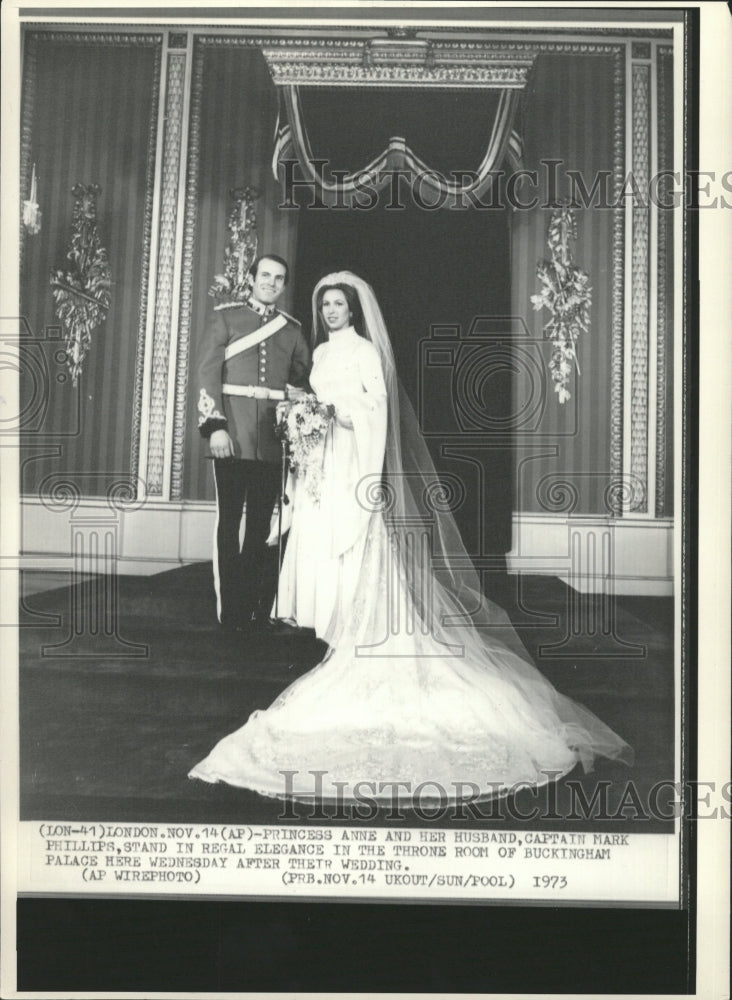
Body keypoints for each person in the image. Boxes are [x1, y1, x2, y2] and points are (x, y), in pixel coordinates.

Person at [189, 272, 632, 802]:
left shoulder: (363, 352)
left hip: (353, 462)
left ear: (354, 310)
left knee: (358, 545)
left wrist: (334, 413)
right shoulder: (322, 354)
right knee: (312, 537)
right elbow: (301, 393)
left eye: (339, 305)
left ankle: (358, 628)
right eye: (324, 304)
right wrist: (301, 412)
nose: (331, 311)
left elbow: (376, 409)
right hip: (324, 465)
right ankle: (323, 623)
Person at [196, 253, 310, 632]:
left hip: (271, 443)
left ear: (283, 285)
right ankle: (230, 612)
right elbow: (207, 373)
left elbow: (303, 381)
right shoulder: (226, 317)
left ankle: (250, 610)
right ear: (250, 278)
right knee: (230, 524)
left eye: (279, 278)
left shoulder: (291, 330)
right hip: (232, 437)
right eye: (265, 275)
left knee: (261, 528)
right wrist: (215, 427)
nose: (271, 283)